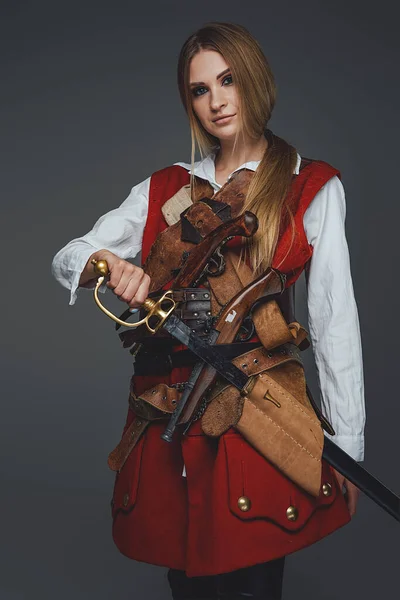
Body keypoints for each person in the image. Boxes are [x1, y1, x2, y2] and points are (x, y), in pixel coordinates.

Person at [52, 22, 365, 600]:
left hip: (260, 419)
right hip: (174, 412)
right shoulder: (165, 187)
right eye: (200, 89)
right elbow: (68, 257)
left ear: (254, 81)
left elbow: (333, 323)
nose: (217, 100)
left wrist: (347, 448)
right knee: (187, 584)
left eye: (227, 80)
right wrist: (106, 263)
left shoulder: (309, 187)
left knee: (255, 584)